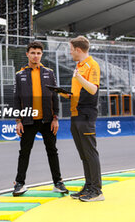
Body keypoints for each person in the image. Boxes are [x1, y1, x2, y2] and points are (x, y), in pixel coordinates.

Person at [12, 41, 68, 196]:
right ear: (27, 54)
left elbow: (55, 96)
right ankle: (19, 183)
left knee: (52, 151)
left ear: (41, 55)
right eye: (33, 53)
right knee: (24, 152)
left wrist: (55, 118)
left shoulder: (49, 72)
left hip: (48, 120)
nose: (35, 56)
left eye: (38, 53)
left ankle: (58, 182)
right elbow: (16, 99)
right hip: (28, 120)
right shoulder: (20, 74)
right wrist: (18, 121)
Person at [62, 36, 105, 202]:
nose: (70, 52)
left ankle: (97, 190)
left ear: (78, 50)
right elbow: (80, 91)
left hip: (86, 114)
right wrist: (66, 94)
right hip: (75, 113)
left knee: (90, 152)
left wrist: (79, 78)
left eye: (71, 49)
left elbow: (93, 89)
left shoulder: (91, 65)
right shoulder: (78, 66)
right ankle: (89, 186)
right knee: (83, 154)